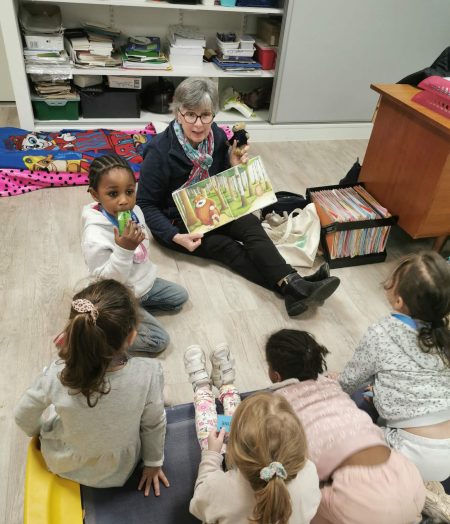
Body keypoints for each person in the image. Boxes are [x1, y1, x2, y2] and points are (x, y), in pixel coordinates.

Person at [265, 328, 450, 524]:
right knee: (382, 494)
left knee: (306, 494)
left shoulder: (276, 405)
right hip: (407, 479)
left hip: (357, 502)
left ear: (275, 374)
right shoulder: (332, 385)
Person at [137, 76, 340, 317]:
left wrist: (233, 165)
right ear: (178, 114)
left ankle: (294, 286)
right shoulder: (159, 151)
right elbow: (146, 204)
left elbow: (220, 181)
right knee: (226, 247)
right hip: (176, 222)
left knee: (250, 224)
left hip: (213, 207)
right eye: (190, 115)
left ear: (214, 114)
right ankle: (294, 285)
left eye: (205, 115)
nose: (198, 124)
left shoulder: (217, 137)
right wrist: (175, 236)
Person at [15, 279, 169, 497]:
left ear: (74, 329)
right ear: (132, 336)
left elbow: (22, 415)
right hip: (121, 469)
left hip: (65, 462)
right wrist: (153, 463)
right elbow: (153, 424)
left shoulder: (56, 375)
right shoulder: (149, 373)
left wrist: (40, 433)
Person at [184, 343, 321, 524]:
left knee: (211, 438)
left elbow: (198, 507)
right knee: (249, 428)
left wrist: (211, 455)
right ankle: (225, 386)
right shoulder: (310, 472)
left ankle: (203, 389)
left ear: (235, 451)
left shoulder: (222, 488)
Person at [338, 251, 450, 520]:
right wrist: (383, 391)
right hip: (446, 454)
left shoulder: (383, 332)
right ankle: (422, 486)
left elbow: (350, 380)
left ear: (398, 299)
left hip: (410, 451)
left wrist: (332, 387)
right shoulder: (444, 336)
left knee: (341, 442)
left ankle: (417, 496)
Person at [82, 154, 188, 354]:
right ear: (95, 195)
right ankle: (102, 336)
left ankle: (130, 315)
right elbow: (107, 282)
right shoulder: (94, 235)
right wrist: (124, 249)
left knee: (180, 297)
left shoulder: (136, 211)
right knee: (158, 340)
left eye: (129, 192)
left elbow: (143, 253)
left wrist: (136, 244)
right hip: (116, 294)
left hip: (140, 285)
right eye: (113, 194)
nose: (124, 201)